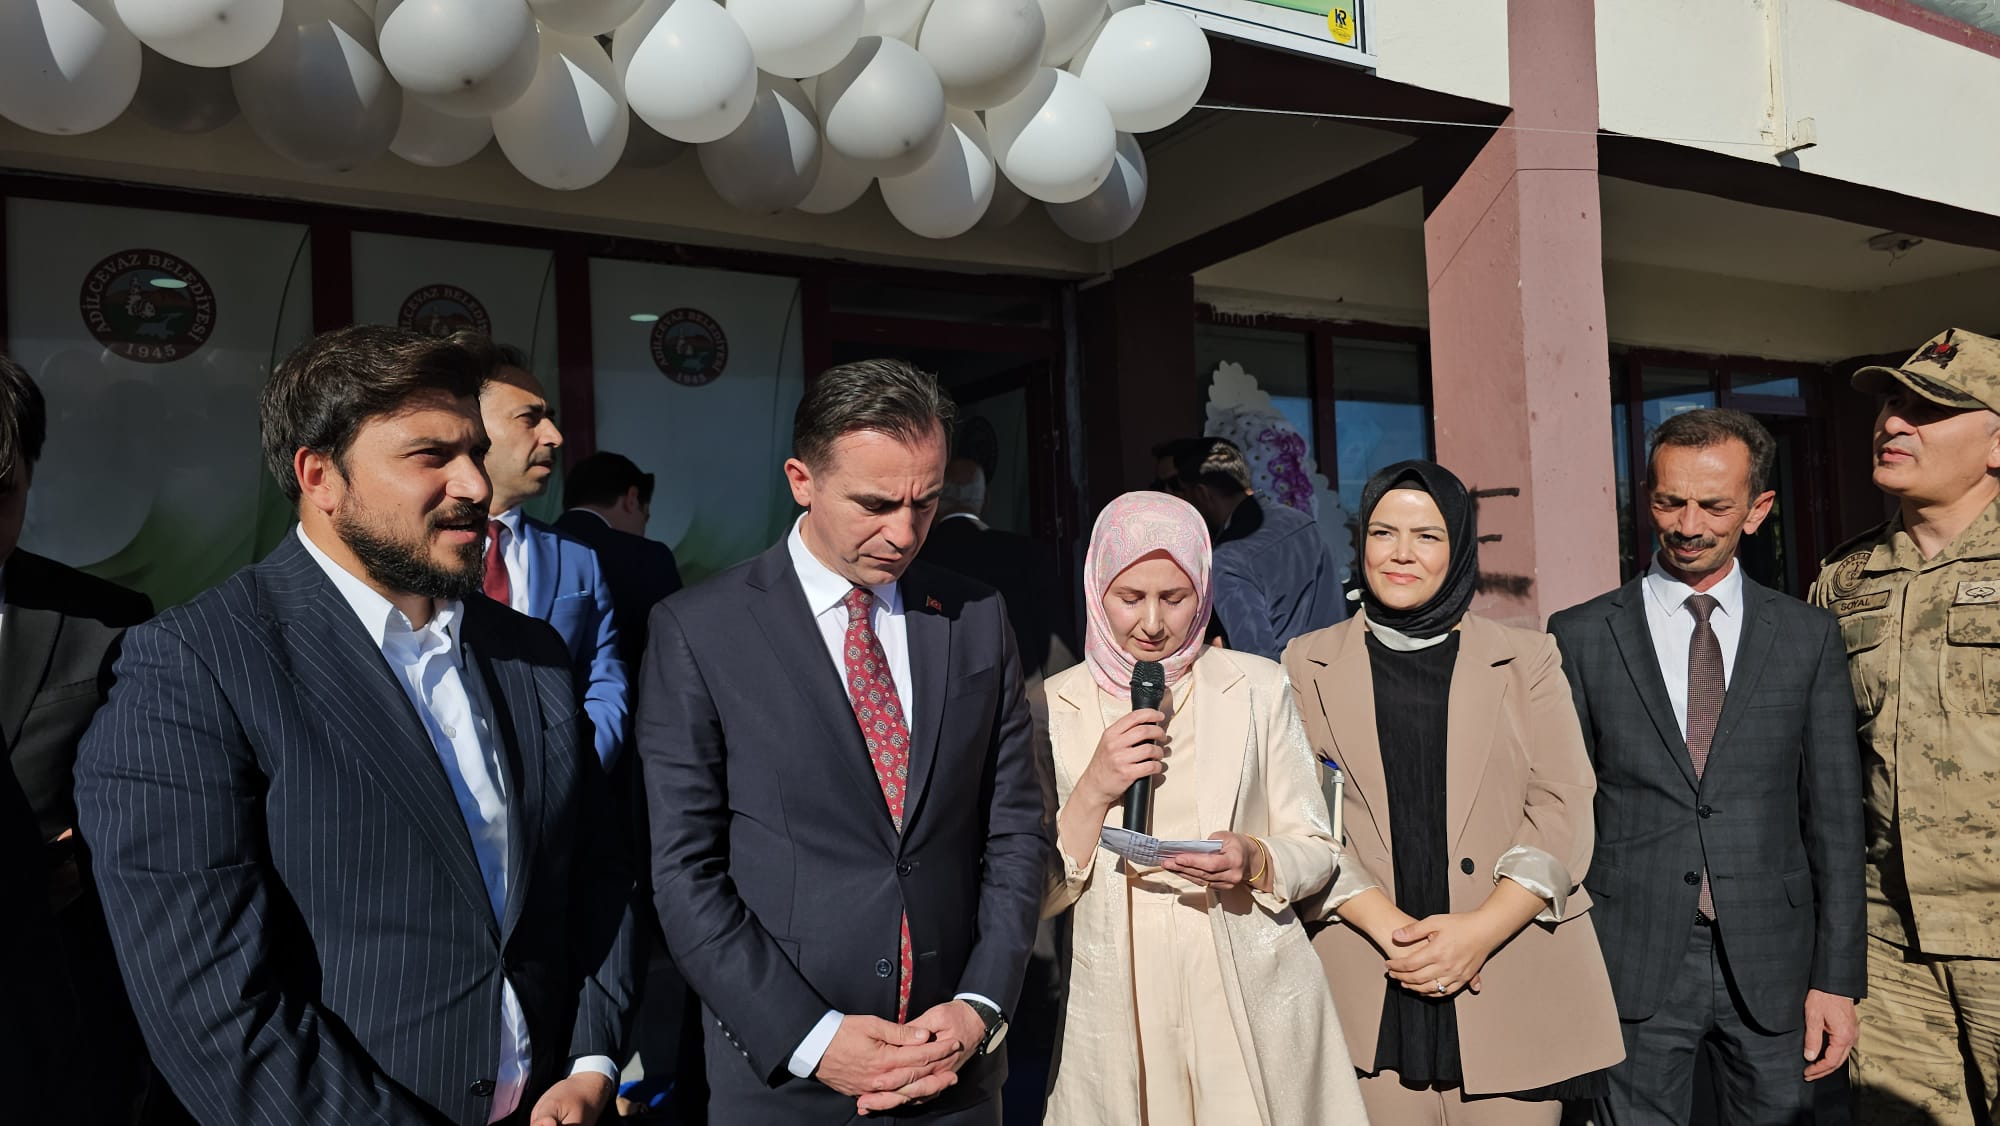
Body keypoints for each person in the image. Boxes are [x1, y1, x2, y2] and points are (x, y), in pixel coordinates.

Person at [73, 325, 637, 1125]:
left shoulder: (531, 653)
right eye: (430, 455)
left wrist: (590, 1060)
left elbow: (595, 872)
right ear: (320, 477)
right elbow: (213, 1008)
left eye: (476, 452)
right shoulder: (195, 668)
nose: (475, 484)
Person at [635, 358, 1047, 1123]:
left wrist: (981, 1005)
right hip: (786, 1081)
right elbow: (684, 872)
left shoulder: (974, 615)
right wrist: (812, 1038)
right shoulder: (701, 630)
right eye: (876, 504)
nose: (904, 533)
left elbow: (1017, 829)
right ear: (802, 480)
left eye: (925, 502)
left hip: (954, 1071)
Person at [1548, 409, 1865, 1124]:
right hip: (1629, 959)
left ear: (1758, 509)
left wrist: (1838, 979)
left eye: (1714, 506)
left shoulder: (1808, 636)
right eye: (1670, 502)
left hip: (1779, 966)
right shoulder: (1579, 635)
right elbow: (1562, 809)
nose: (1688, 525)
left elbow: (1836, 822)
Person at [1286, 459, 1622, 1124]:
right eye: (1383, 533)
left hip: (1511, 971)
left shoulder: (1528, 658)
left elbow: (1561, 808)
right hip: (1368, 976)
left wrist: (1477, 933)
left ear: (1460, 546)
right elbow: (1302, 818)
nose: (1401, 553)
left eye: (1427, 536)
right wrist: (1398, 936)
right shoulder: (1307, 661)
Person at [1039, 490, 1365, 1126]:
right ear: (1096, 589)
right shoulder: (1054, 705)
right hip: (1120, 1003)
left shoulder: (1258, 686)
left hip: (1243, 988)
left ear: (1205, 589)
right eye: (1130, 597)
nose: (1153, 623)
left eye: (1175, 597)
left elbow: (1321, 846)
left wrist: (1256, 858)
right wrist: (1095, 788)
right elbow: (1038, 894)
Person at [1811, 327, 2000, 1125]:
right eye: (1892, 403)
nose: (1894, 422)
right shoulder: (1843, 578)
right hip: (1890, 944)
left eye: (1929, 409)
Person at [0, 353, 160, 1125]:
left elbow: (151, 804)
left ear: (31, 476)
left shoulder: (106, 622)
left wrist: (89, 849)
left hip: (52, 1023)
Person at [463, 335, 628, 768]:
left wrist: (581, 767)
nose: (554, 437)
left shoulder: (577, 559)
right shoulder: (414, 552)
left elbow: (602, 676)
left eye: (550, 420)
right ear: (471, 424)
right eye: (529, 419)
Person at [1156, 437, 1344, 660]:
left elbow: (1256, 659)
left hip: (1288, 678)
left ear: (1200, 493)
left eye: (1177, 488)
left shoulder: (1228, 558)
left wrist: (1219, 652)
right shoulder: (1304, 522)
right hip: (1337, 669)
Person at [554, 450, 683, 670]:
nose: (643, 529)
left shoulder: (529, 548)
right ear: (632, 499)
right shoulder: (648, 557)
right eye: (646, 517)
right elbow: (672, 646)